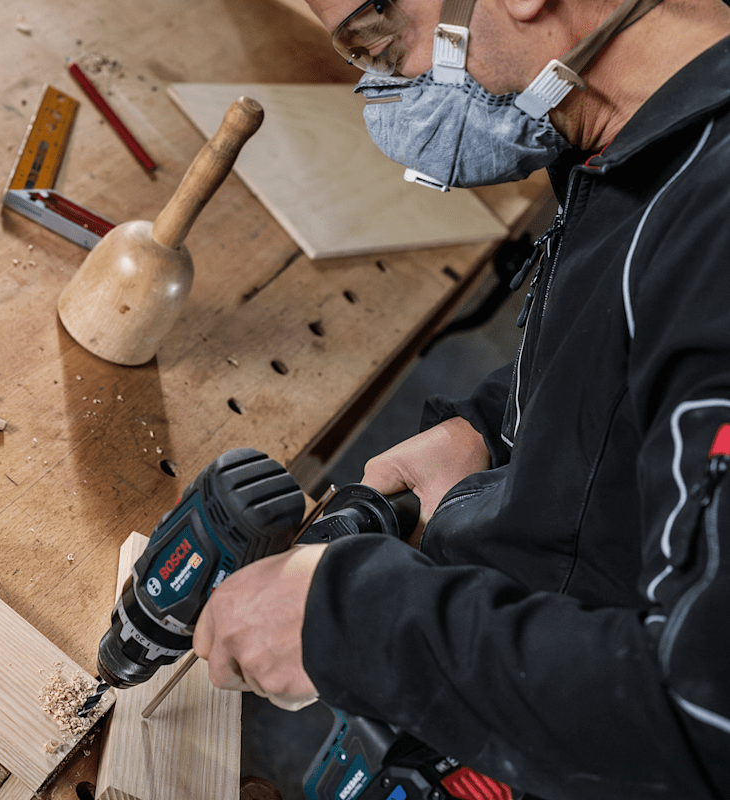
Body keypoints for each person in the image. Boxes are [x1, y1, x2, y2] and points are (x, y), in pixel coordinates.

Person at [190, 0, 730, 795]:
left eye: (382, 37)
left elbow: (704, 719)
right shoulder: (642, 129)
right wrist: (496, 429)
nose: (393, 88)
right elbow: (643, 338)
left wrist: (358, 625)